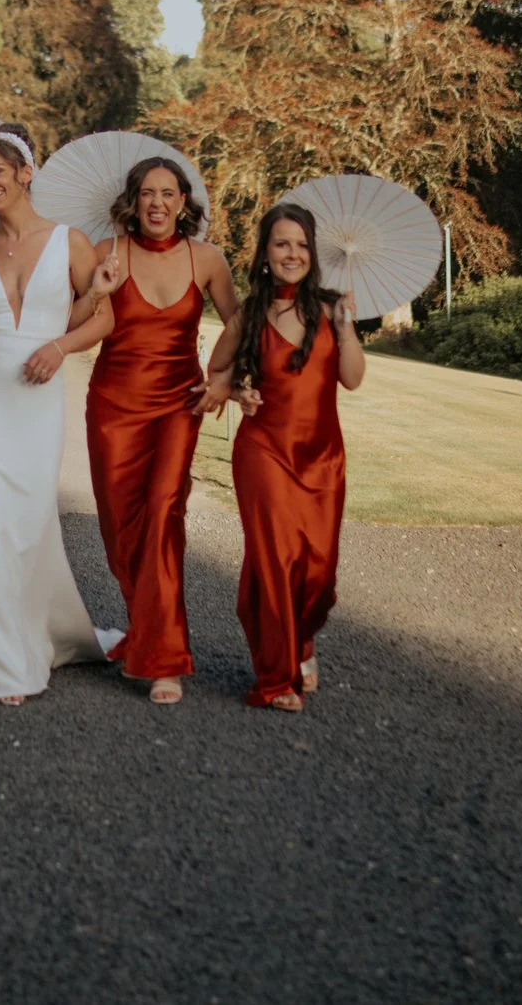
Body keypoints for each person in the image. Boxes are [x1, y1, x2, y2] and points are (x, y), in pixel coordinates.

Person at [0, 125, 121, 704]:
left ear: (25, 172)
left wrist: (61, 344)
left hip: (38, 397)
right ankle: (2, 659)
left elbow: (99, 318)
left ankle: (26, 630)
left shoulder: (71, 242)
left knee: (28, 518)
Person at [83, 157, 240, 705]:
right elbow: (74, 321)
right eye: (147, 193)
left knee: (162, 515)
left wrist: (221, 376)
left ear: (183, 201)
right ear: (134, 199)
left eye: (167, 193)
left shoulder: (208, 259)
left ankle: (165, 659)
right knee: (120, 525)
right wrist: (98, 291)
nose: (156, 203)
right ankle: (144, 633)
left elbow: (240, 320)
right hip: (112, 405)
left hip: (177, 405)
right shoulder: (109, 253)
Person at [215, 201, 366, 712]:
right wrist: (239, 390)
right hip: (264, 452)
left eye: (301, 245)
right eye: (282, 243)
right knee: (275, 560)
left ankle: (302, 641)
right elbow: (216, 373)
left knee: (318, 571)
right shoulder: (249, 313)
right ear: (264, 252)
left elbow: (352, 378)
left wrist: (346, 326)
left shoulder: (329, 310)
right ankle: (276, 676)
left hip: (323, 458)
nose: (292, 253)